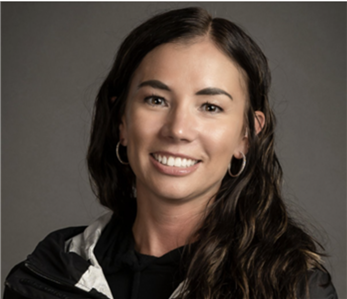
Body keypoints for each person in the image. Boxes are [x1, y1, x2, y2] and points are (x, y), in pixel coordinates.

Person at [4, 7, 338, 299]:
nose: (177, 129)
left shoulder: (292, 286)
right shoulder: (46, 275)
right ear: (121, 121)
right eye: (156, 100)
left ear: (246, 136)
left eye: (210, 106)